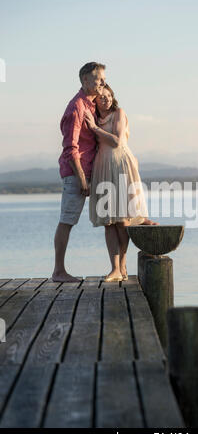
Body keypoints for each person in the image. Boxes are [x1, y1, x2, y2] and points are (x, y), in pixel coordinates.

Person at [84, 84, 159, 282]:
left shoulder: (119, 113)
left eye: (108, 95)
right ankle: (114, 268)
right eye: (101, 97)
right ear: (95, 100)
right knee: (109, 222)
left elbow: (117, 141)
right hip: (102, 166)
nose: (105, 99)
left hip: (121, 165)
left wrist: (93, 128)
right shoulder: (94, 116)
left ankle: (123, 265)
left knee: (122, 221)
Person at [52, 62, 106, 282]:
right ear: (85, 80)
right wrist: (83, 180)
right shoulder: (77, 108)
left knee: (114, 215)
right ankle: (58, 271)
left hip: (91, 171)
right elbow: (70, 148)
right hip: (77, 174)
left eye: (103, 78)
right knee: (67, 220)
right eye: (98, 79)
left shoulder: (91, 105)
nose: (103, 82)